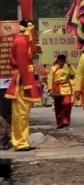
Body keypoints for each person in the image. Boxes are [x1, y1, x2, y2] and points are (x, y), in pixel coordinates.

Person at [5, 20, 39, 151]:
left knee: (23, 113)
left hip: (25, 77)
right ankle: (20, 142)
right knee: (21, 113)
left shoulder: (22, 40)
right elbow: (22, 63)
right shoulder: (21, 41)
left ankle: (22, 141)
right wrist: (26, 83)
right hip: (23, 79)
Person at [49, 54, 75, 129]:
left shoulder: (67, 67)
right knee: (58, 106)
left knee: (67, 104)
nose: (61, 62)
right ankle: (60, 122)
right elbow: (50, 79)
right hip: (56, 88)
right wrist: (50, 89)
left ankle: (66, 120)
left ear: (64, 61)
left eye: (62, 60)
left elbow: (74, 73)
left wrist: (70, 65)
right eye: (59, 60)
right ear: (57, 60)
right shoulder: (53, 68)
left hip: (66, 88)